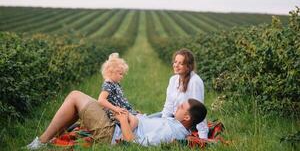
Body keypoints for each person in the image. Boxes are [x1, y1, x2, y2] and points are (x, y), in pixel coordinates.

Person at [26, 90, 207, 149]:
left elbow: (136, 143)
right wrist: (138, 116)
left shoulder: (171, 131)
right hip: (122, 123)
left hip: (113, 132)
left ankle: (40, 142)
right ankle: (47, 139)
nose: (177, 106)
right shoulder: (175, 124)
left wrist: (122, 120)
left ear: (187, 117)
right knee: (83, 104)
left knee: (75, 96)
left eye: (181, 107)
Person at [149, 48, 209, 138]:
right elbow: (168, 106)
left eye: (180, 63)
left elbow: (198, 110)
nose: (176, 65)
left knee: (148, 127)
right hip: (171, 118)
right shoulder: (173, 80)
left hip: (185, 123)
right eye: (175, 62)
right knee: (145, 120)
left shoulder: (195, 81)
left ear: (188, 66)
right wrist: (162, 123)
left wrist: (203, 136)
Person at [98, 53, 138, 131]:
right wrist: (116, 109)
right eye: (120, 74)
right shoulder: (108, 85)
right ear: (111, 72)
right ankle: (124, 137)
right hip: (115, 111)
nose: (122, 76)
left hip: (121, 109)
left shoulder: (115, 83)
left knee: (136, 118)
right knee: (134, 121)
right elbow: (101, 100)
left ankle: (126, 134)